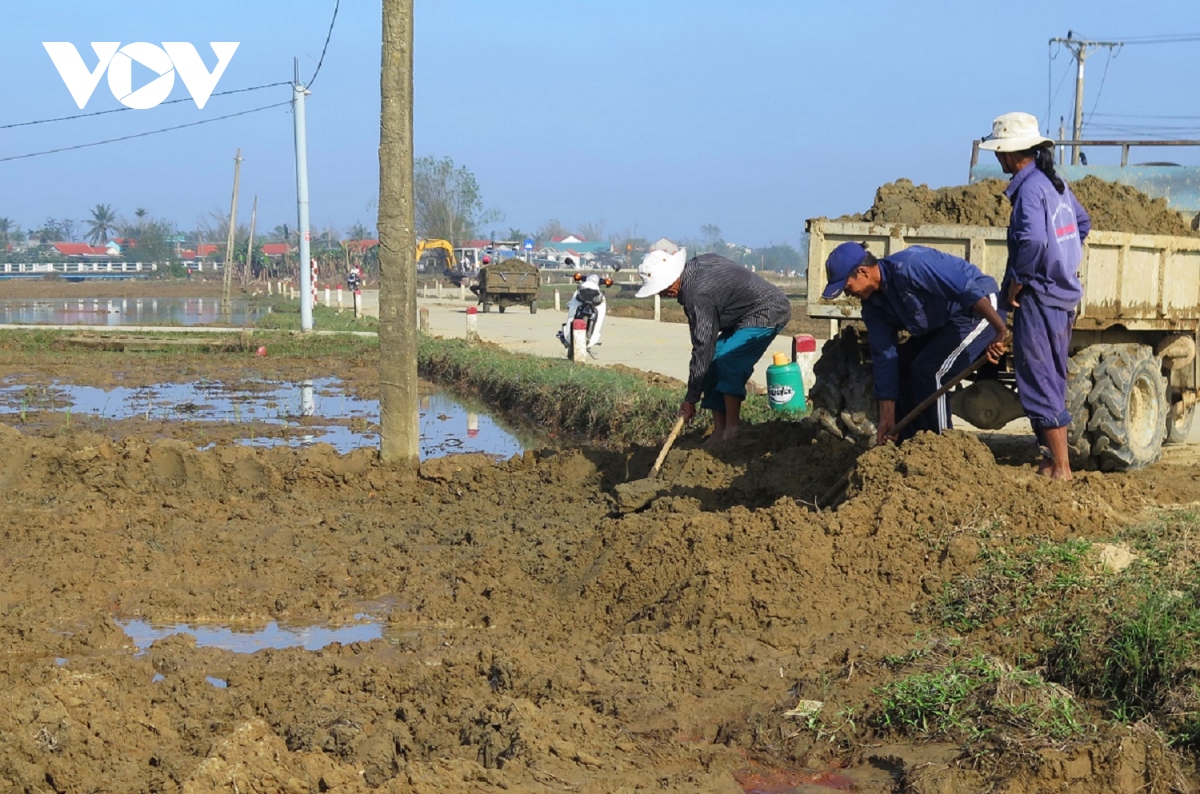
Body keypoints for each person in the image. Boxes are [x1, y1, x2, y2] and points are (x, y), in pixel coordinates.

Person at [979, 111, 1090, 480]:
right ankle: (1048, 459)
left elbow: (1034, 240)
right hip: (1062, 295)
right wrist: (1064, 256)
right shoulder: (1053, 184)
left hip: (1040, 296)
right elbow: (1082, 224)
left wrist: (1020, 280)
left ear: (1010, 155)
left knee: (1039, 378)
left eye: (999, 153)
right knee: (1050, 376)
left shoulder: (1028, 190)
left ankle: (1061, 467)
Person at [822, 242, 1009, 445]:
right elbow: (885, 357)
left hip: (979, 308)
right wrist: (887, 419)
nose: (847, 294)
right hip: (944, 322)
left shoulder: (911, 267)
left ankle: (940, 447)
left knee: (931, 371)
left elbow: (967, 291)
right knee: (902, 368)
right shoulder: (873, 306)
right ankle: (910, 445)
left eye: (846, 287)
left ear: (862, 272)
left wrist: (1000, 329)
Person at [636, 249, 791, 446]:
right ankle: (719, 430)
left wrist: (691, 398)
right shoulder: (696, 266)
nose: (663, 294)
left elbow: (702, 345)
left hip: (768, 309)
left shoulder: (697, 293)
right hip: (741, 315)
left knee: (728, 359)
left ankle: (732, 429)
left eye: (663, 288)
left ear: (673, 279)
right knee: (713, 362)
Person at [557, 272, 607, 351]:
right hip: (583, 294)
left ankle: (592, 337)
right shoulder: (583, 286)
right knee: (571, 307)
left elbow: (610, 282)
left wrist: (609, 281)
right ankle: (567, 333)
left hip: (594, 296)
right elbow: (576, 276)